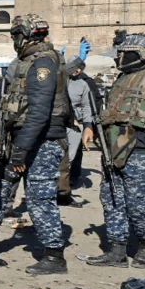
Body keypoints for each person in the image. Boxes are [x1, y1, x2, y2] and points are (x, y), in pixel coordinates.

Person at [0, 14, 70, 275]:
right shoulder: (24, 62)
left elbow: (39, 112)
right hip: (17, 139)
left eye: (17, 35)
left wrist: (22, 150)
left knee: (39, 198)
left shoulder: (43, 63)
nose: (15, 40)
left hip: (40, 142)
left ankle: (54, 256)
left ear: (27, 36)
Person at [83, 34, 145, 268]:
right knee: (113, 199)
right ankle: (116, 250)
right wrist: (91, 130)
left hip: (142, 152)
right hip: (113, 152)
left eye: (125, 53)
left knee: (140, 204)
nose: (120, 57)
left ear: (140, 55)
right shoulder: (121, 79)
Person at [58, 57, 97, 206]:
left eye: (81, 68)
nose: (78, 70)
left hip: (75, 127)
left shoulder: (83, 84)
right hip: (58, 125)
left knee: (70, 159)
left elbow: (87, 106)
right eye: (75, 67)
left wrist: (88, 125)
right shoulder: (58, 81)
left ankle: (63, 192)